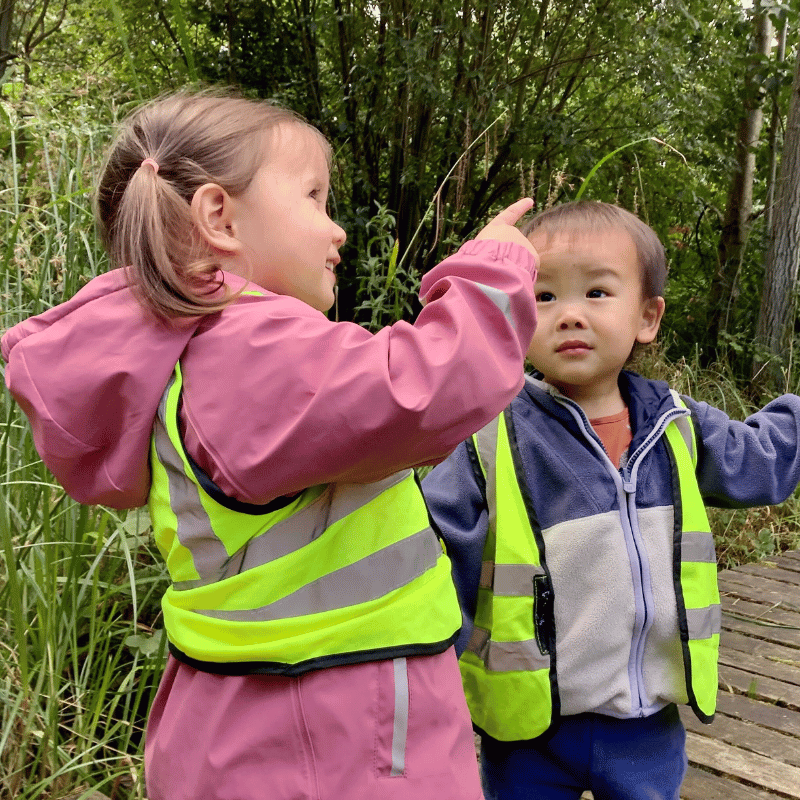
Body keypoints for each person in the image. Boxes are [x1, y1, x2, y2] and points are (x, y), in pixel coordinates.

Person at [1, 90, 542, 800]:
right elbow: (424, 389)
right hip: (335, 729)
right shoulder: (247, 351)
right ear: (219, 218)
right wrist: (495, 272)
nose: (337, 228)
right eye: (315, 198)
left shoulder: (184, 362)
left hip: (249, 722)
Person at [422, 200, 800, 800]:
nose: (569, 315)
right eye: (544, 298)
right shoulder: (490, 437)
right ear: (516, 318)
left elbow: (762, 462)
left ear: (647, 317)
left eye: (597, 293)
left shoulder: (677, 425)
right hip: (528, 727)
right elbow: (432, 563)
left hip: (646, 722)